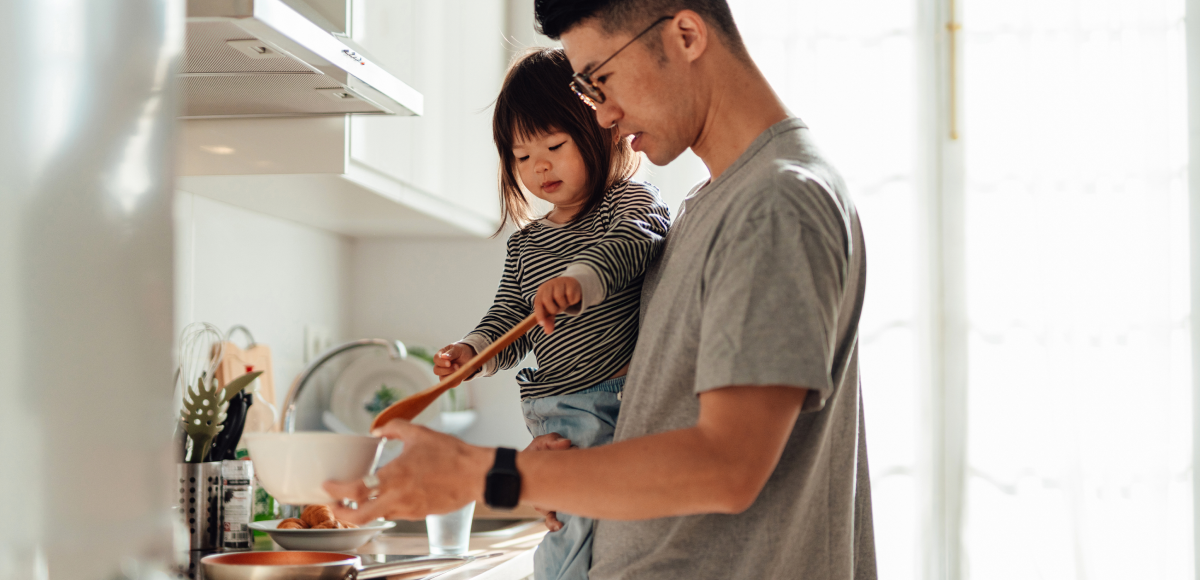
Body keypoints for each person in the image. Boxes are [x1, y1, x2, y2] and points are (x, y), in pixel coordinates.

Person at [327, 2, 876, 578]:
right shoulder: (711, 206)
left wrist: (485, 472)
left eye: (601, 80)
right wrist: (567, 472)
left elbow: (726, 467)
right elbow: (658, 424)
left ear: (686, 35)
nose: (605, 116)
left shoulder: (773, 204)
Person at [429, 47, 669, 580]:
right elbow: (507, 318)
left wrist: (579, 282)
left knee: (588, 528)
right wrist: (474, 353)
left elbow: (634, 242)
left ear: (601, 130)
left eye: (554, 146)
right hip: (557, 410)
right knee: (572, 529)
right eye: (520, 156)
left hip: (612, 397)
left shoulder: (628, 202)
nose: (538, 166)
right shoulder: (527, 245)